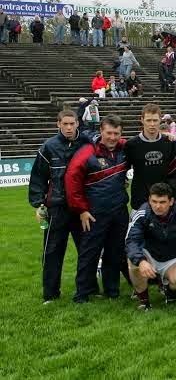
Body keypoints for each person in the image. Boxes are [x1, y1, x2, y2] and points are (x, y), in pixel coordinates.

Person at [28, 110, 94, 303]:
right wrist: (39, 204)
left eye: (72, 123)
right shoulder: (48, 146)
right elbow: (38, 177)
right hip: (57, 208)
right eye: (65, 124)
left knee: (87, 250)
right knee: (52, 252)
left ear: (77, 124)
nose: (68, 127)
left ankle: (89, 289)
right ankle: (50, 294)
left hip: (82, 208)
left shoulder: (87, 143)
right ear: (58, 124)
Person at [64, 115, 129, 303]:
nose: (112, 137)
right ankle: (82, 294)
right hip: (94, 213)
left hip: (119, 211)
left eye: (116, 133)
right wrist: (82, 210)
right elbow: (71, 181)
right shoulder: (87, 152)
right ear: (101, 131)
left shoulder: (125, 149)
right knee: (89, 253)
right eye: (109, 133)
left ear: (121, 134)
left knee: (115, 252)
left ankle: (112, 291)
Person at [124, 104, 175, 211]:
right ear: (142, 120)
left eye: (155, 120)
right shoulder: (131, 145)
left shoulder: (169, 143)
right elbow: (124, 169)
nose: (152, 124)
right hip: (140, 201)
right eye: (148, 120)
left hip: (163, 200)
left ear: (160, 120)